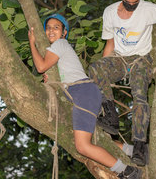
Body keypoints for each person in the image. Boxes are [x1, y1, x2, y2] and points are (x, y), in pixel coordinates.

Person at [28, 13, 143, 179]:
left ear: (64, 33)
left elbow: (40, 66)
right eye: (48, 28)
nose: (51, 30)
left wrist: (32, 43)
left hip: (83, 93)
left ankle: (127, 171)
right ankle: (134, 150)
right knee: (94, 142)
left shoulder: (60, 44)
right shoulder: (60, 50)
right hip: (84, 94)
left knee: (82, 146)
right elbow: (51, 72)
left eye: (56, 27)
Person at [88, 0, 156, 166]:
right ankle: (110, 116)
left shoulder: (148, 9)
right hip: (119, 59)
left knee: (139, 96)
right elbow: (109, 44)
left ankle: (140, 146)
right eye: (128, 2)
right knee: (95, 68)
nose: (132, 6)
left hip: (141, 60)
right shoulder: (109, 12)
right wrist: (102, 72)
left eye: (135, 2)